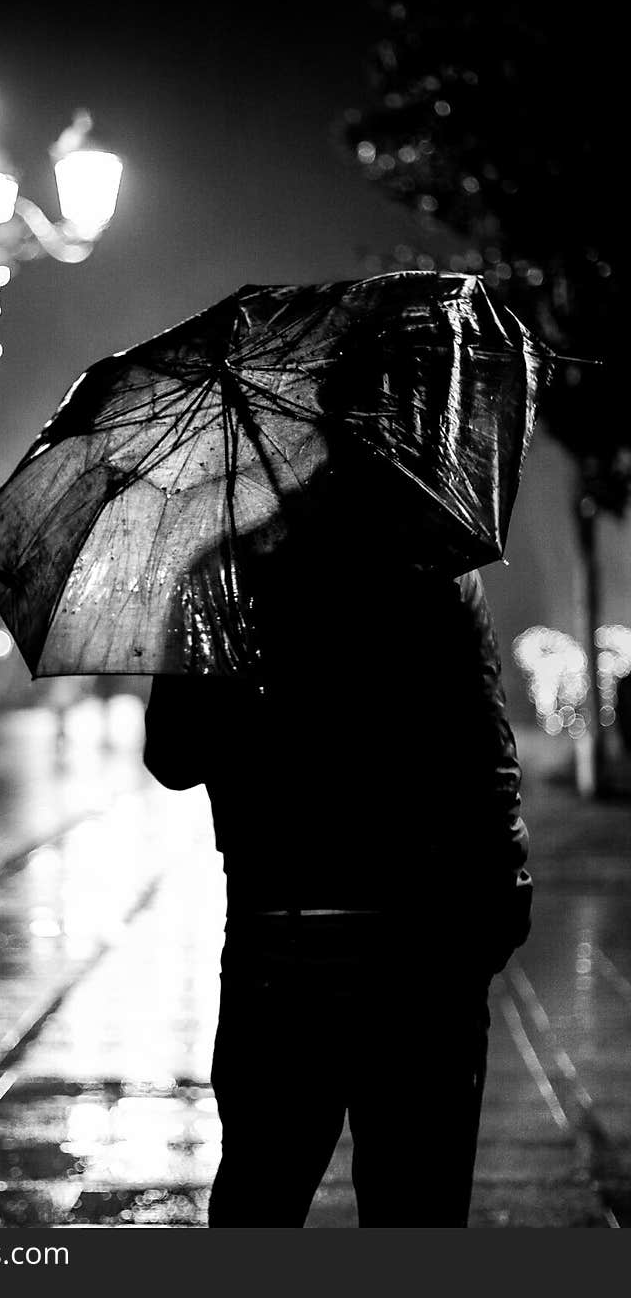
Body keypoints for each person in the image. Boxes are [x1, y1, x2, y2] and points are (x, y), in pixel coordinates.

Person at [143, 499, 531, 1227]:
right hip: (422, 954)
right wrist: (503, 902)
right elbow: (485, 754)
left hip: (279, 954)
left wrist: (245, 698)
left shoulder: (226, 575)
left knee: (262, 1196)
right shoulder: (439, 572)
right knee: (416, 1208)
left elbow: (171, 755)